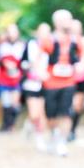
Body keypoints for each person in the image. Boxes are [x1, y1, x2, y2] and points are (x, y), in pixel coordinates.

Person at [40, 10, 84, 157]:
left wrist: (81, 65)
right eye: (66, 19)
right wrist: (41, 72)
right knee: (51, 115)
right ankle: (53, 135)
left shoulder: (76, 40)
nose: (69, 22)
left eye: (70, 19)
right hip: (51, 83)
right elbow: (38, 57)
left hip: (69, 82)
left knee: (66, 113)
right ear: (57, 22)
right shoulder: (49, 40)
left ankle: (62, 142)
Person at [20, 23, 51, 152]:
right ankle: (29, 124)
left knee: (42, 113)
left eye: (47, 32)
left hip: (46, 83)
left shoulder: (51, 46)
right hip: (31, 83)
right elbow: (23, 63)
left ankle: (40, 138)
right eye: (42, 32)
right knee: (34, 114)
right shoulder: (30, 45)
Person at [0, 23, 25, 132]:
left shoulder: (22, 45)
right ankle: (6, 125)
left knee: (15, 104)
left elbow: (24, 61)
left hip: (16, 79)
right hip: (3, 79)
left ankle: (11, 123)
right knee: (5, 103)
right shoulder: (1, 46)